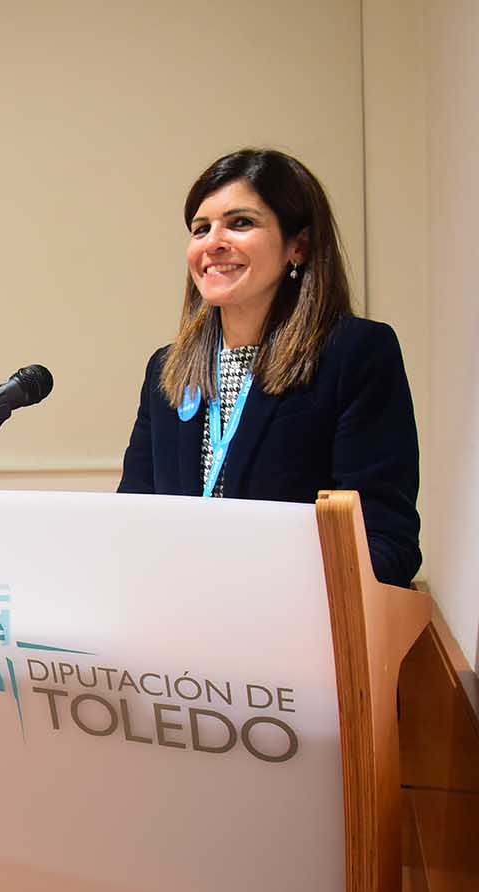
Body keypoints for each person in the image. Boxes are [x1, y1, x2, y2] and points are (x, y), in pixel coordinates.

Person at [118, 148, 421, 587]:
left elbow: (386, 542)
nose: (213, 242)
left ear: (298, 246)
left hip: (294, 619)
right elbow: (131, 523)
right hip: (177, 614)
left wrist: (258, 589)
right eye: (201, 228)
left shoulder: (354, 353)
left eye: (240, 223)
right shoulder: (167, 369)